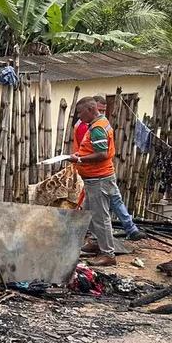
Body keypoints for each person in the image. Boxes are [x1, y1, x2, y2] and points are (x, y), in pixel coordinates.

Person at [70, 97, 117, 267]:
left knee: (100, 217)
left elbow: (102, 154)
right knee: (90, 213)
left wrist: (79, 160)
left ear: (90, 109)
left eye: (81, 113)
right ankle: (96, 242)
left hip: (99, 178)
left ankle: (108, 254)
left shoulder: (97, 128)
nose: (79, 117)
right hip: (94, 178)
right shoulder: (100, 123)